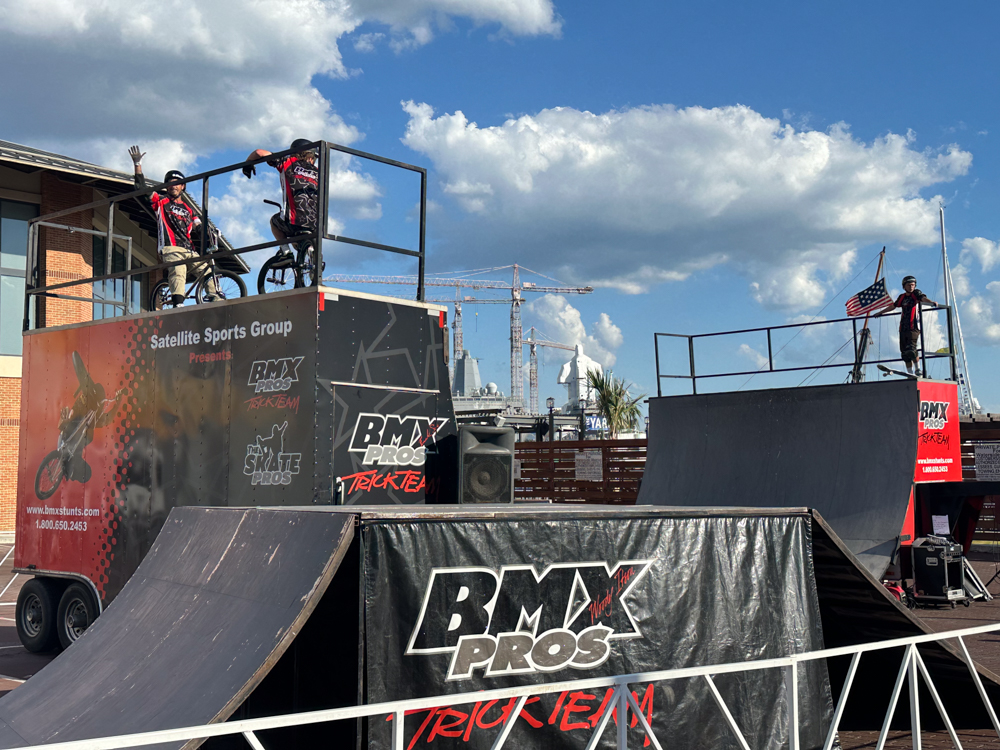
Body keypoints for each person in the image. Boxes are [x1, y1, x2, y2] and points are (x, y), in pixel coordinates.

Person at [129, 145, 217, 307]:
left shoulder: (189, 209)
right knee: (179, 270)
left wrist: (211, 234)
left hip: (189, 249)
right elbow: (141, 189)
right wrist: (137, 165)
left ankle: (215, 297)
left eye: (177, 183)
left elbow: (198, 227)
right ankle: (178, 304)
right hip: (170, 247)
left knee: (206, 270)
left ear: (183, 186)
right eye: (170, 183)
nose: (173, 186)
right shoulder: (160, 201)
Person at [242, 139, 319, 264]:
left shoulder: (288, 161)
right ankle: (311, 253)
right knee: (300, 238)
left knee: (274, 221)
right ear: (311, 157)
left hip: (295, 221)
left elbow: (259, 152)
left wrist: (247, 164)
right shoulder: (318, 172)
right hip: (317, 225)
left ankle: (286, 252)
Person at [57, 352, 125, 484]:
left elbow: (108, 418)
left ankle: (69, 466)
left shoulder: (94, 417)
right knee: (80, 428)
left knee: (85, 466)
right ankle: (67, 462)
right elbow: (81, 375)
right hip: (68, 435)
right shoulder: (85, 403)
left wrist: (117, 402)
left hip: (72, 443)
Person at [881, 275, 939, 373]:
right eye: (909, 285)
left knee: (911, 349)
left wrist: (932, 302)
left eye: (913, 285)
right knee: (904, 353)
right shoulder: (902, 297)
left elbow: (923, 298)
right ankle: (910, 373)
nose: (911, 287)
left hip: (914, 326)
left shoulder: (916, 294)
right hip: (903, 327)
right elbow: (894, 306)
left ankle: (918, 369)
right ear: (904, 286)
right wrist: (881, 312)